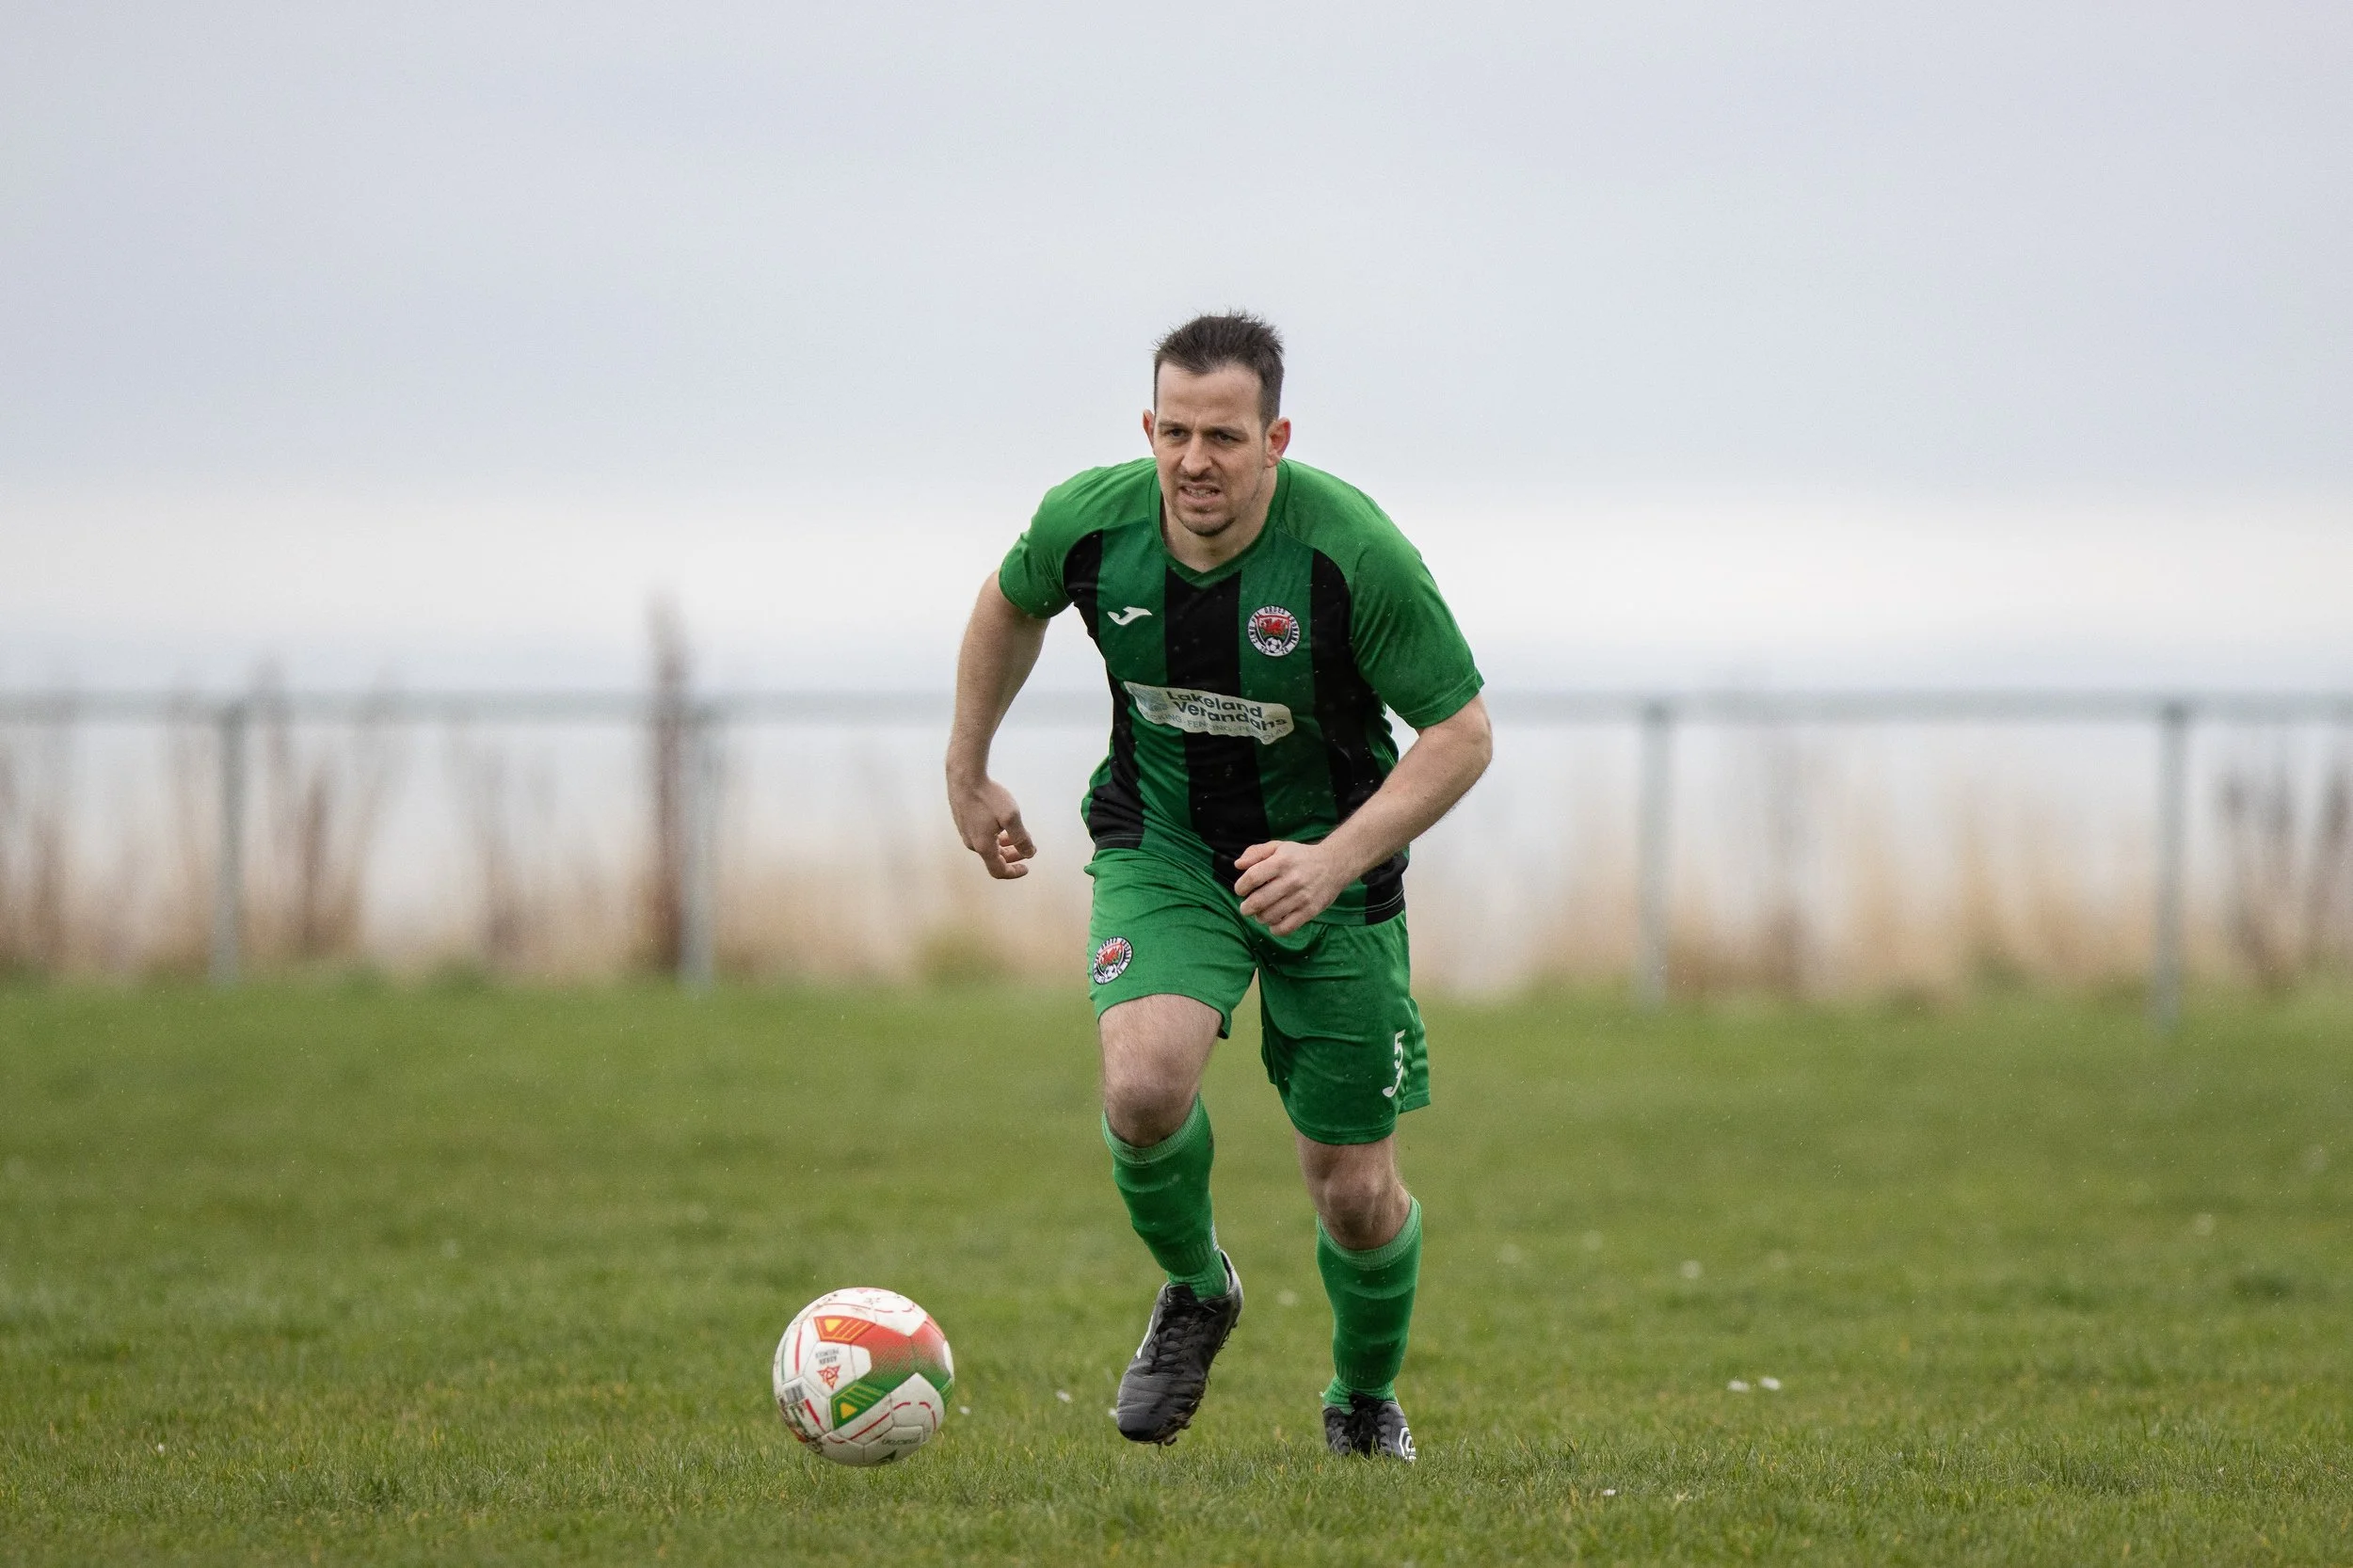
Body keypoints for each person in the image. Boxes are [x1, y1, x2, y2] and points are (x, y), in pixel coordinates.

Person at [944, 312, 1491, 1461]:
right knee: (1142, 1086)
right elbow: (1009, 599)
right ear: (1149, 428)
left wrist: (1333, 856)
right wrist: (968, 768)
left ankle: (1359, 1398)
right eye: (1176, 432)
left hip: (1329, 869)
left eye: (1225, 437)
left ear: (1275, 438)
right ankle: (1199, 1287)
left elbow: (1461, 733)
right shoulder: (1090, 523)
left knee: (1350, 1188)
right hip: (1165, 840)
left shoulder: (1353, 554)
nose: (1196, 460)